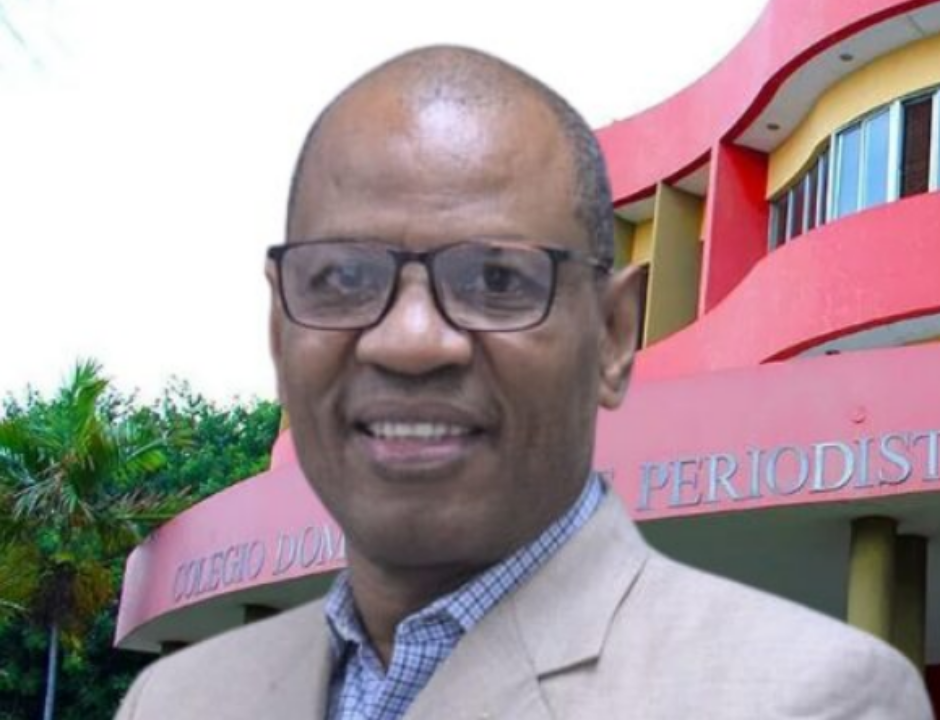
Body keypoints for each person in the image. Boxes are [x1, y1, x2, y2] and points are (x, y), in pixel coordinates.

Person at [115, 46, 933, 719]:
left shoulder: (809, 700)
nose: (409, 342)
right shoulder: (177, 702)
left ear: (613, 337)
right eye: (344, 279)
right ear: (278, 329)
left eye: (496, 280)